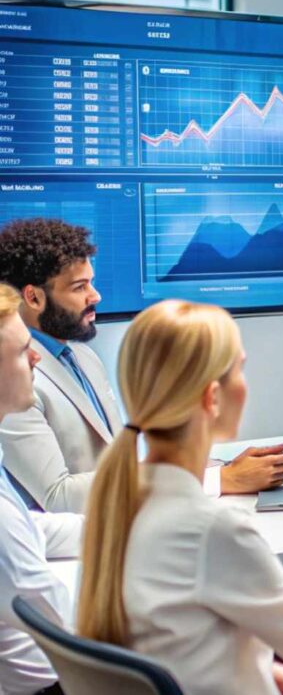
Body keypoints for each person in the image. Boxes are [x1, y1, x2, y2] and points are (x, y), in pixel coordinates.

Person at [75, 299, 283, 695]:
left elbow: (168, 640)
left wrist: (256, 671)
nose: (245, 384)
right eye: (239, 369)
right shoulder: (214, 529)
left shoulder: (119, 498)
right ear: (211, 398)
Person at [0, 218, 283, 513]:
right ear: (33, 297)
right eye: (79, 287)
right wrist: (214, 480)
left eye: (92, 281)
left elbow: (119, 466)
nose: (96, 296)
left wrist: (222, 468)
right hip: (73, 549)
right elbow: (58, 497)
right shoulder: (14, 380)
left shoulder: (81, 356)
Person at [0, 282, 83, 695]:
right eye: (20, 352)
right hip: (55, 685)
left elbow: (30, 528)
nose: (36, 357)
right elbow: (59, 619)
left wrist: (124, 532)